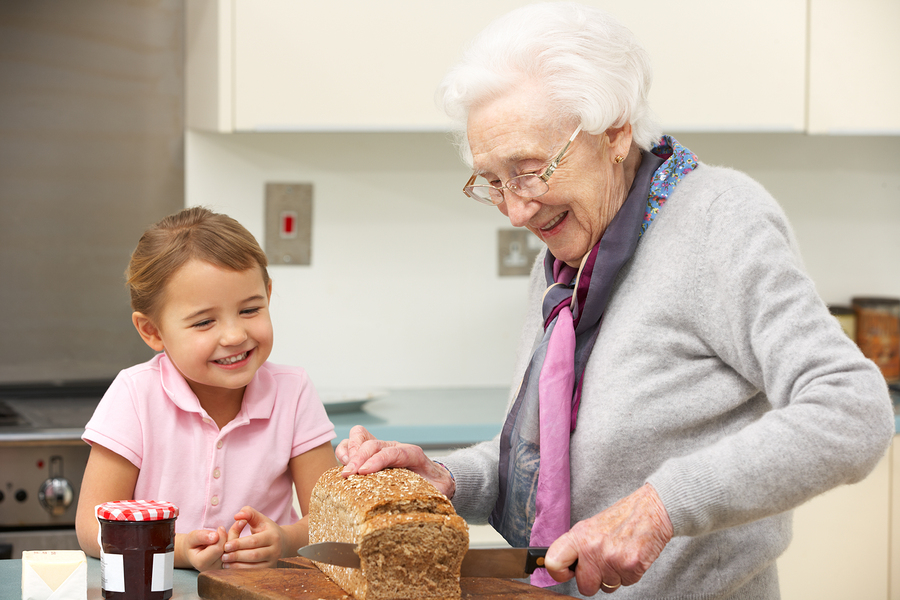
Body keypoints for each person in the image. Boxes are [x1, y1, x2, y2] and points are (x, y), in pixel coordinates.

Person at [336, 3, 895, 599]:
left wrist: (660, 508)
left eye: (530, 169)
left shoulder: (716, 220)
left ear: (615, 131)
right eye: (493, 181)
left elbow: (852, 409)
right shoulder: (566, 262)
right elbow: (558, 461)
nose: (518, 210)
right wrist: (446, 477)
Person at [75, 206, 338, 572]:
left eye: (249, 310)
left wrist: (286, 540)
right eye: (204, 322)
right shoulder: (135, 395)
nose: (234, 336)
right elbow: (92, 527)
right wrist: (176, 549)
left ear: (268, 294)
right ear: (152, 331)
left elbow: (334, 522)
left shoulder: (293, 393)